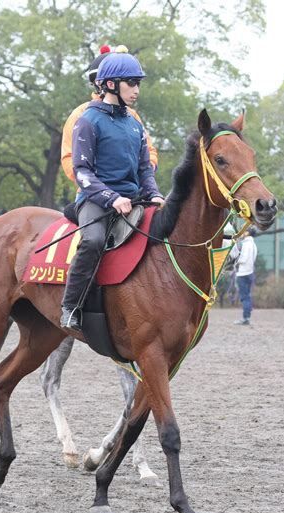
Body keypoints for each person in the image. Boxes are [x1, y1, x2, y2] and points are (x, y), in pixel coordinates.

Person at [60, 50, 165, 330]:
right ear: (110, 85)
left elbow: (145, 168)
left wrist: (153, 193)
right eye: (131, 82)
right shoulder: (88, 121)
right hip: (95, 200)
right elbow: (82, 171)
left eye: (138, 83)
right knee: (93, 241)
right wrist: (111, 197)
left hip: (133, 199)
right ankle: (71, 306)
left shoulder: (134, 124)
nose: (136, 90)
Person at [61, 45, 158, 185]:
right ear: (101, 83)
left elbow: (149, 151)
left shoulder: (132, 116)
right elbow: (69, 158)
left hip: (134, 188)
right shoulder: (80, 115)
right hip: (94, 192)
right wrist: (100, 186)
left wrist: (146, 173)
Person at [234, 226, 258, 325]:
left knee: (244, 297)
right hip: (250, 272)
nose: (242, 233)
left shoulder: (247, 244)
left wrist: (235, 260)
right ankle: (247, 316)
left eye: (244, 231)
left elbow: (243, 259)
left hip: (243, 273)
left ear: (248, 233)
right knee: (247, 296)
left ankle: (245, 318)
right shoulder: (253, 244)